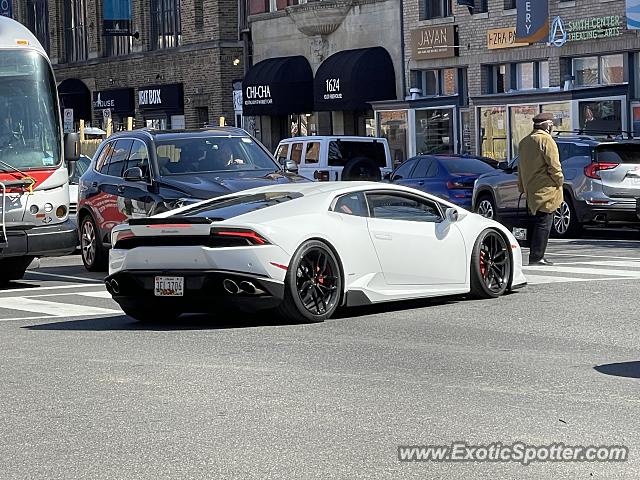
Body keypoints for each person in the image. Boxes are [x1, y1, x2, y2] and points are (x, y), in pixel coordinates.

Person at [517, 112, 564, 266]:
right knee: (544, 224)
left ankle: (534, 256)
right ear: (548, 125)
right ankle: (538, 257)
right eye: (552, 125)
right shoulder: (546, 140)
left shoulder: (524, 142)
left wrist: (522, 187)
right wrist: (560, 181)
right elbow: (554, 165)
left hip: (530, 190)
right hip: (546, 189)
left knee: (534, 224)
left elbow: (521, 168)